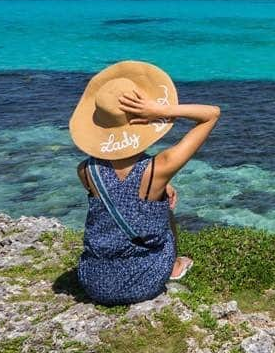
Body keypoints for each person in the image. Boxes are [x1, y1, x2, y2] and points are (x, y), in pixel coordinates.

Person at [68, 60, 220, 305]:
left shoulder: (85, 171)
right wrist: (162, 110)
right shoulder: (161, 166)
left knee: (155, 199)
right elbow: (211, 114)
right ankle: (174, 266)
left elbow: (116, 191)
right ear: (142, 119)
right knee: (164, 209)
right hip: (143, 284)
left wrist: (160, 186)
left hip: (94, 283)